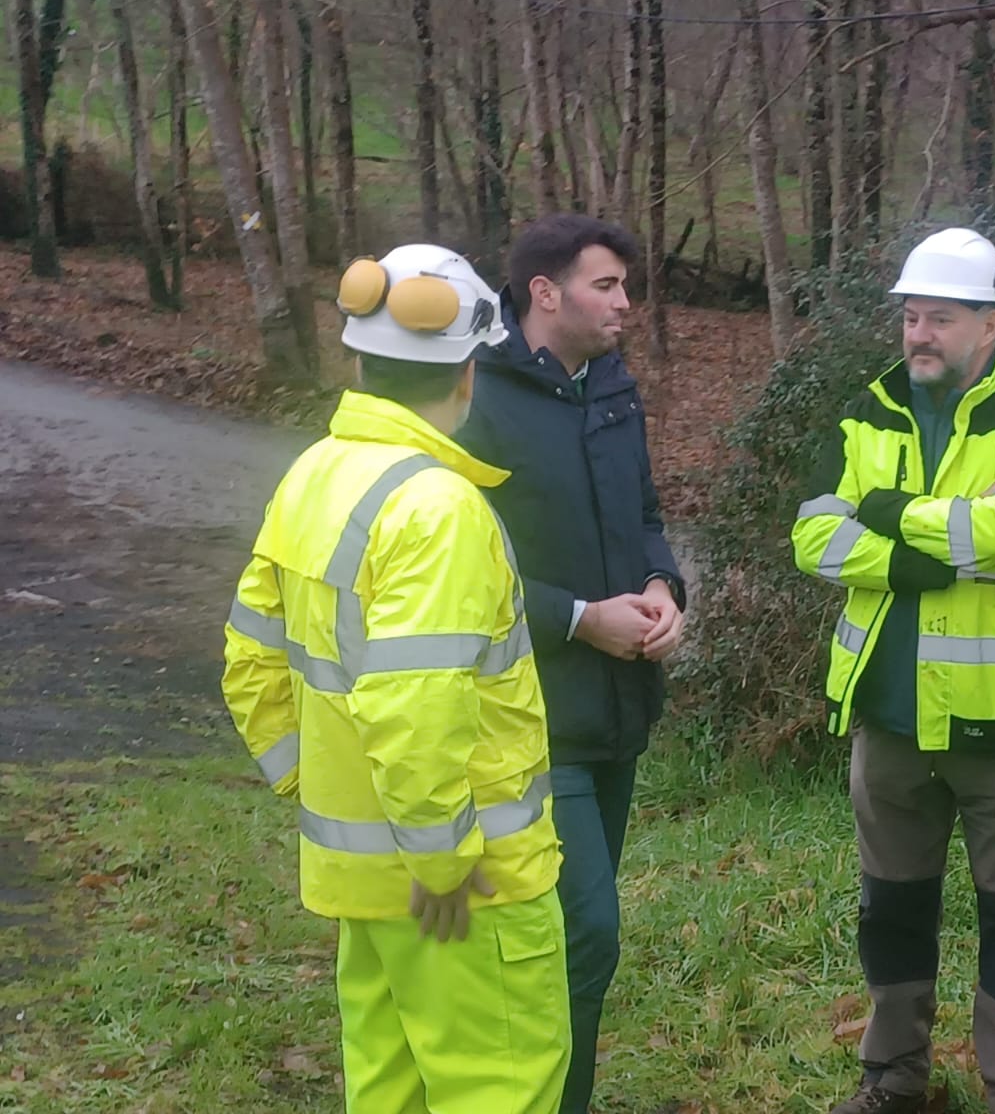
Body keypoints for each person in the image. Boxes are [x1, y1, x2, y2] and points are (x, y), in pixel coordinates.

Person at [221, 244, 570, 1113]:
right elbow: (414, 707)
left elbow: (247, 660)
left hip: (367, 884)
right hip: (462, 889)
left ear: (360, 359)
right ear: (468, 373)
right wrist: (442, 863)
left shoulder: (314, 473)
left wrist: (313, 781)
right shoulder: (439, 508)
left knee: (389, 1092)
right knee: (498, 1089)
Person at [792, 228, 995, 1114]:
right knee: (892, 910)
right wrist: (918, 550)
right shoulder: (862, 412)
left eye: (940, 319)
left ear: (990, 326)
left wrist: (879, 512)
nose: (919, 334)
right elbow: (812, 538)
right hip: (888, 718)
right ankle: (893, 1081)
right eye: (911, 316)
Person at [456, 213, 686, 1114]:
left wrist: (663, 584)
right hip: (530, 717)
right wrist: (579, 617)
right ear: (543, 293)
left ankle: (557, 1092)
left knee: (570, 941)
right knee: (584, 931)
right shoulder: (480, 398)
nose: (626, 302)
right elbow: (462, 569)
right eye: (608, 285)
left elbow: (645, 512)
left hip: (619, 710)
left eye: (626, 285)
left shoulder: (613, 386)